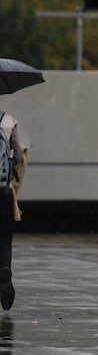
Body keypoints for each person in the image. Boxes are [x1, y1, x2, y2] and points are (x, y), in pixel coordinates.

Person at [0, 110, 26, 313]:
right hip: (2, 191)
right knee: (4, 237)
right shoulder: (8, 121)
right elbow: (17, 155)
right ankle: (5, 271)